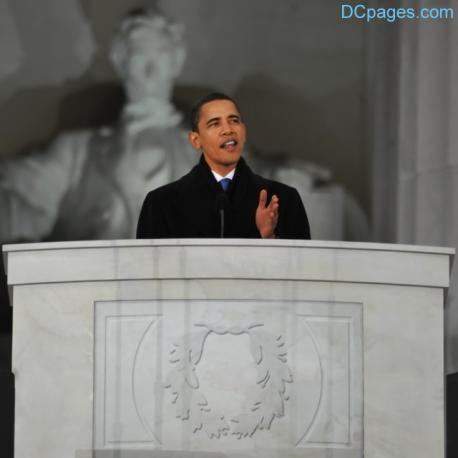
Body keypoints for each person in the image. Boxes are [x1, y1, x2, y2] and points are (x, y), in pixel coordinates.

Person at [136, 93, 311, 239]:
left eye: (234, 121)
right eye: (215, 123)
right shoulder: (161, 204)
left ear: (244, 132)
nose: (228, 129)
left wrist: (269, 238)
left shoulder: (283, 200)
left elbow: (302, 272)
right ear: (195, 140)